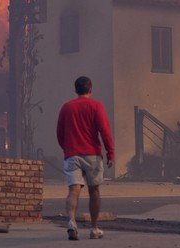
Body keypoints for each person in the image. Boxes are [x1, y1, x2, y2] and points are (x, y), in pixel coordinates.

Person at [56, 76, 114, 240]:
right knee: (94, 190)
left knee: (73, 190)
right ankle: (94, 228)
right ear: (90, 89)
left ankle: (71, 223)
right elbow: (105, 131)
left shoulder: (66, 108)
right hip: (92, 155)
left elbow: (60, 133)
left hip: (72, 155)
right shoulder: (96, 106)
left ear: (76, 90)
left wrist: (67, 148)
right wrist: (110, 153)